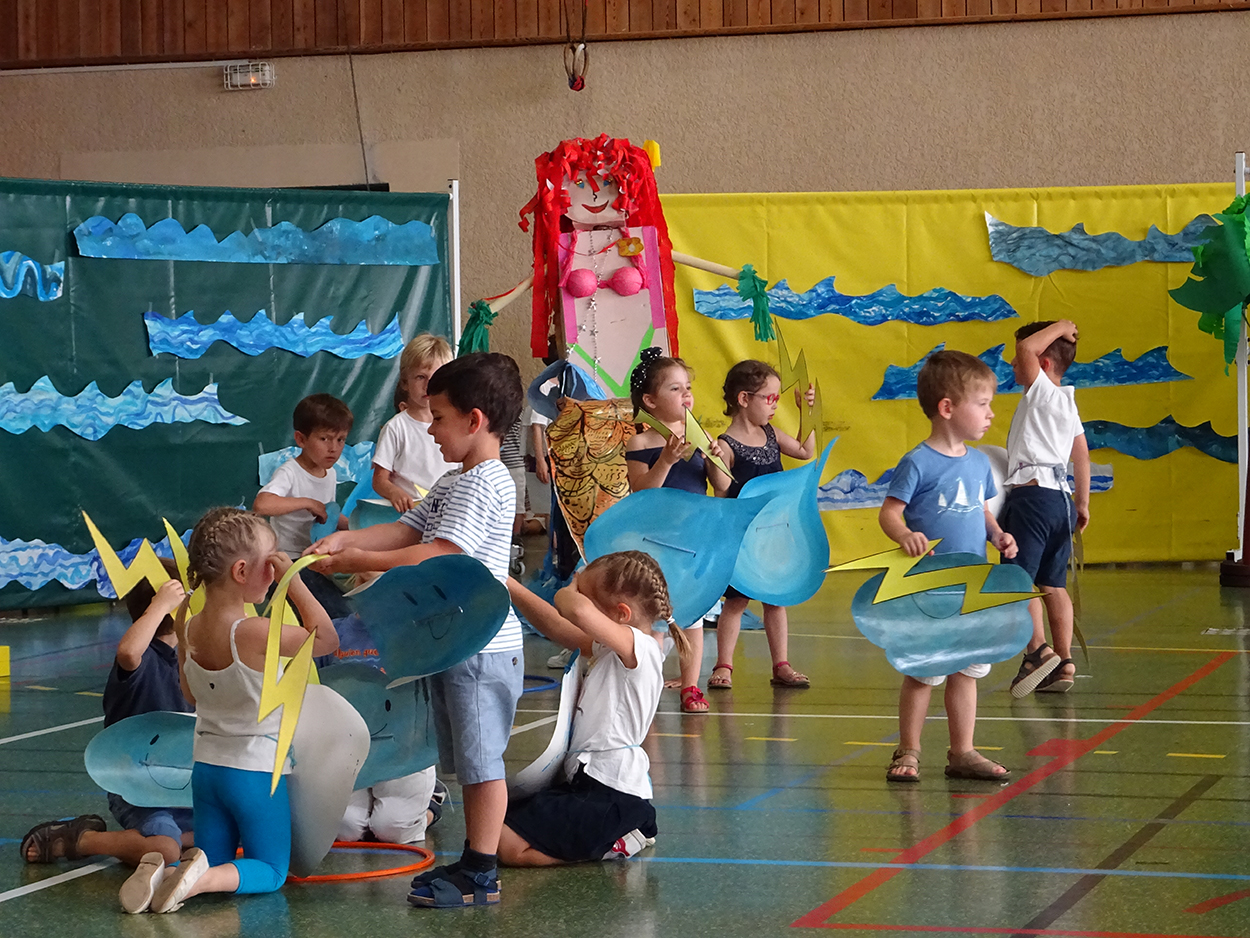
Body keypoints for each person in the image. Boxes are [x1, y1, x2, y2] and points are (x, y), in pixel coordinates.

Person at [306, 351, 525, 909]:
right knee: (467, 757)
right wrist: (343, 544)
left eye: (441, 417)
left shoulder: (484, 484)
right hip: (455, 645)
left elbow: (436, 553)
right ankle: (476, 859)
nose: (430, 428)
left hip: (482, 648)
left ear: (474, 421)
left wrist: (358, 557)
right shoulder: (457, 480)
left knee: (481, 763)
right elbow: (407, 529)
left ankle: (481, 870)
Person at [120, 507, 339, 914]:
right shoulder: (254, 632)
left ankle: (168, 874)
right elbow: (325, 639)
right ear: (241, 572)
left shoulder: (187, 621)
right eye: (270, 563)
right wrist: (293, 581)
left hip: (205, 770)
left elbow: (189, 693)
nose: (275, 570)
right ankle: (194, 881)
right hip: (255, 771)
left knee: (216, 859)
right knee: (272, 869)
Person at [877, 350, 1018, 783]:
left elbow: (980, 509)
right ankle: (909, 750)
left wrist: (997, 534)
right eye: (983, 404)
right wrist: (904, 535)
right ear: (947, 408)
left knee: (966, 668)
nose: (991, 414)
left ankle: (963, 751)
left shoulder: (978, 463)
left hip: (971, 587)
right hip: (931, 589)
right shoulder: (918, 461)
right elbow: (889, 512)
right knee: (924, 671)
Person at [20, 565, 192, 894]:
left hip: (184, 788)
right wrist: (160, 605)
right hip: (138, 789)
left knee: (236, 829)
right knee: (167, 851)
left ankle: (163, 839)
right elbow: (128, 652)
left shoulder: (188, 657)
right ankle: (80, 840)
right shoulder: (142, 658)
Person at [500, 551, 680, 865]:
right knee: (496, 819)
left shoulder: (643, 649)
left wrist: (572, 585)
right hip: (588, 781)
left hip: (610, 791)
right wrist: (507, 584)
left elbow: (576, 612)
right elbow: (556, 625)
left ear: (621, 614)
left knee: (506, 847)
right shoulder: (614, 647)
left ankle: (618, 839)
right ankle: (617, 830)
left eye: (588, 596)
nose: (579, 597)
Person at [624, 347, 730, 713]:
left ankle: (690, 686)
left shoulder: (698, 436)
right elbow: (642, 493)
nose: (686, 394)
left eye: (687, 387)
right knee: (654, 617)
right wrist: (667, 460)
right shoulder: (641, 443)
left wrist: (714, 458)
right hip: (656, 543)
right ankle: (647, 684)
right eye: (674, 388)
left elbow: (723, 487)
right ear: (650, 401)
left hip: (693, 542)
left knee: (693, 618)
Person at [710, 360, 816, 691]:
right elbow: (721, 489)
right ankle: (723, 665)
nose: (774, 405)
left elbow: (805, 450)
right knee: (736, 603)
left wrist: (807, 413)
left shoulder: (770, 435)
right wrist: (713, 460)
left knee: (775, 599)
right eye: (769, 399)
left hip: (772, 533)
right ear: (744, 399)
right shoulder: (726, 444)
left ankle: (781, 665)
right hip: (741, 536)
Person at [1000, 320, 1090, 697]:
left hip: (1032, 500)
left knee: (1017, 582)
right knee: (1053, 583)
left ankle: (1037, 650)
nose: (1013, 363)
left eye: (1021, 356)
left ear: (1044, 363)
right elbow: (1081, 453)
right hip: (1060, 501)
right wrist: (1082, 502)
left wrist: (1063, 326)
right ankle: (1064, 662)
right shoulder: (1066, 401)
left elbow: (1026, 352)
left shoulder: (1042, 393)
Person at [253, 393, 353, 617]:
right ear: (301, 439)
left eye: (341, 440)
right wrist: (307, 503)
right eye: (325, 439)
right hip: (288, 562)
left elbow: (327, 515)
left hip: (315, 558)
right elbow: (262, 504)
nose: (333, 448)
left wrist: (356, 527)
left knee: (348, 605)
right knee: (330, 613)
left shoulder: (330, 473)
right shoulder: (290, 472)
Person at [372, 334, 458, 513]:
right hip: (408, 516)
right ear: (405, 382)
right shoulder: (396, 428)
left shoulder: (455, 425)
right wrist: (394, 493)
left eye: (436, 377)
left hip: (446, 513)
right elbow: (379, 479)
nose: (428, 385)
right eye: (420, 377)